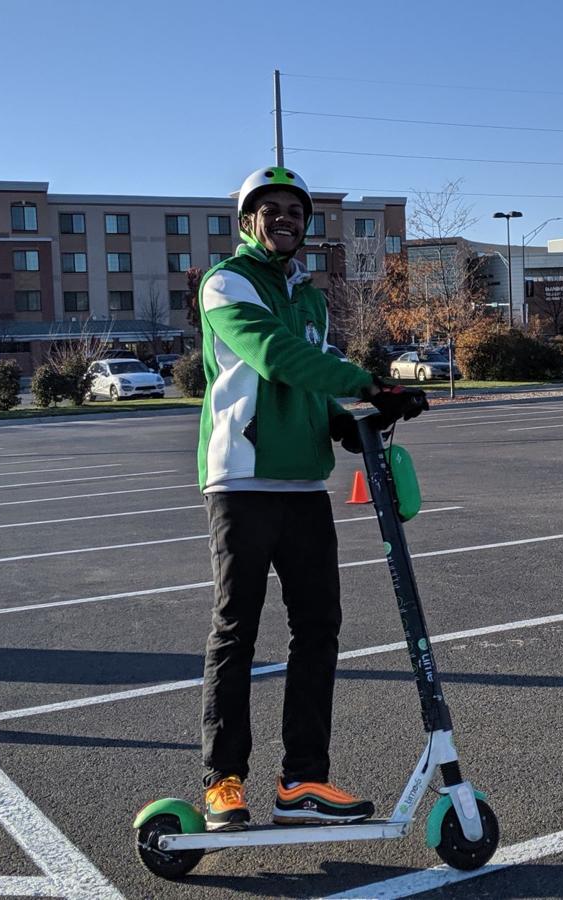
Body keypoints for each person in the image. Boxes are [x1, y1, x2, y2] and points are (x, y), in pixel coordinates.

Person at [195, 165, 427, 831]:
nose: (284, 218)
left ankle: (302, 780)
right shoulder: (227, 283)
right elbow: (274, 358)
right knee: (236, 630)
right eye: (269, 209)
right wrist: (366, 380)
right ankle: (223, 782)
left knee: (319, 629)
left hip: (303, 484)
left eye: (294, 210)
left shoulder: (312, 299)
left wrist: (355, 418)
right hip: (240, 479)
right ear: (247, 222)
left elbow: (313, 387)